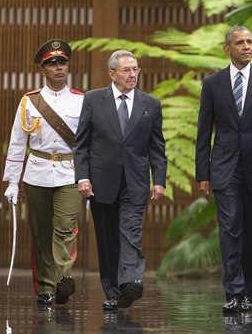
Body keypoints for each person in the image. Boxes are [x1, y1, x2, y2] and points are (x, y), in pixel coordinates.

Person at [195, 25, 252, 313]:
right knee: (230, 230)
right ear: (228, 49)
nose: (247, 46)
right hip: (224, 169)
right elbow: (203, 132)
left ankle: (249, 292)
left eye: (250, 41)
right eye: (240, 42)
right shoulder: (213, 84)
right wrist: (203, 175)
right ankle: (233, 292)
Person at [74, 50, 167, 311]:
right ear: (112, 74)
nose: (133, 75)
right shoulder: (93, 100)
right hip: (101, 182)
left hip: (135, 182)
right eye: (126, 70)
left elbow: (157, 146)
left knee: (131, 233)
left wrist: (158, 179)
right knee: (107, 240)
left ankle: (130, 282)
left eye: (135, 69)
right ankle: (114, 292)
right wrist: (83, 177)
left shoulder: (151, 104)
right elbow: (81, 144)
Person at [3, 39, 83, 306]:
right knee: (41, 232)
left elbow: (88, 143)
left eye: (62, 62)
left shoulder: (82, 101)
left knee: (66, 229)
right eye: (52, 64)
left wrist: (88, 174)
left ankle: (62, 279)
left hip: (69, 172)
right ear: (43, 69)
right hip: (36, 173)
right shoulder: (30, 101)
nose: (58, 68)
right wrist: (12, 181)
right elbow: (17, 142)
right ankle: (46, 289)